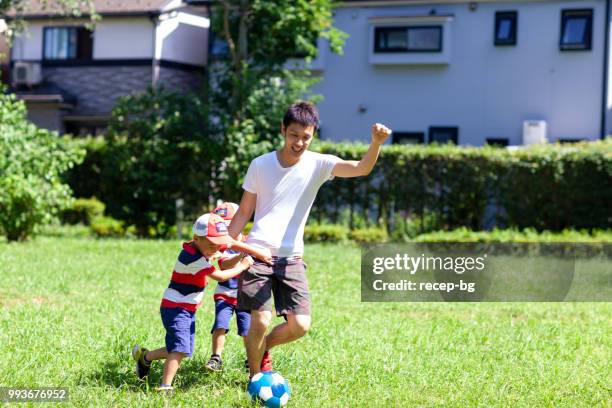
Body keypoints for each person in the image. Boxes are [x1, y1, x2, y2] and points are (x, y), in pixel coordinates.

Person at [227, 101, 392, 377]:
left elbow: (361, 168)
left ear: (313, 135)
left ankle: (259, 349)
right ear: (283, 130)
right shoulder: (260, 165)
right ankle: (255, 376)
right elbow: (244, 211)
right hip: (257, 253)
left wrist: (375, 143)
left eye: (306, 137)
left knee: (300, 325)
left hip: (291, 257)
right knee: (261, 320)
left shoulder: (319, 164)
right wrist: (226, 246)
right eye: (294, 135)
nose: (299, 142)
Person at [131, 212, 270, 391]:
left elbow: (229, 243)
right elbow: (220, 276)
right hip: (176, 308)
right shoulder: (193, 258)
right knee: (179, 348)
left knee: (182, 348)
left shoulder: (201, 247)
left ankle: (146, 357)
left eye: (218, 244)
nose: (216, 248)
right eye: (212, 244)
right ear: (196, 238)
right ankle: (165, 387)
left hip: (185, 308)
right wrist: (243, 265)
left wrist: (256, 251)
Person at [204, 202, 252, 372]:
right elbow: (224, 266)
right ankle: (216, 358)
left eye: (229, 226)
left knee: (247, 329)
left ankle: (251, 359)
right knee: (220, 325)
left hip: (246, 296)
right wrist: (240, 256)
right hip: (225, 293)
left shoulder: (250, 241)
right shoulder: (222, 246)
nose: (225, 231)